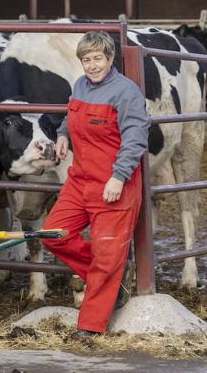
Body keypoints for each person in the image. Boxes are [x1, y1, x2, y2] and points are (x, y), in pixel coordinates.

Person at [41, 31, 150, 339]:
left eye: (97, 59)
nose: (91, 66)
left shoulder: (126, 93)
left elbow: (136, 140)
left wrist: (119, 177)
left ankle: (89, 329)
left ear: (110, 59)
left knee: (107, 254)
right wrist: (63, 135)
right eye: (86, 60)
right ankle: (109, 276)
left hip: (114, 185)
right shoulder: (80, 86)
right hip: (80, 181)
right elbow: (70, 116)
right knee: (53, 234)